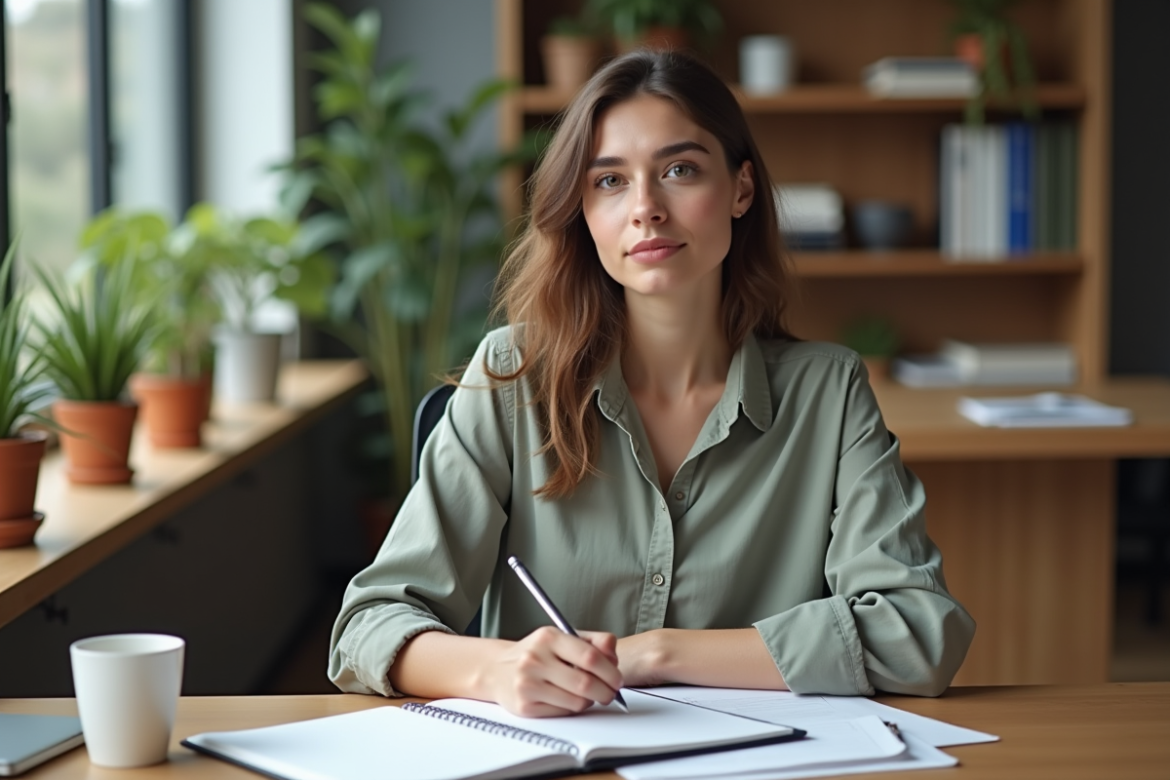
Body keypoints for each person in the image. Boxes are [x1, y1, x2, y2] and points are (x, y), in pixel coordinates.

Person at [328, 49, 975, 717]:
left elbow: (919, 632)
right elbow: (369, 627)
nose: (646, 209)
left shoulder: (829, 393)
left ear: (741, 189)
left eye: (679, 170)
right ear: (581, 209)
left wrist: (656, 654)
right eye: (609, 181)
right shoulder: (510, 380)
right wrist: (497, 669)